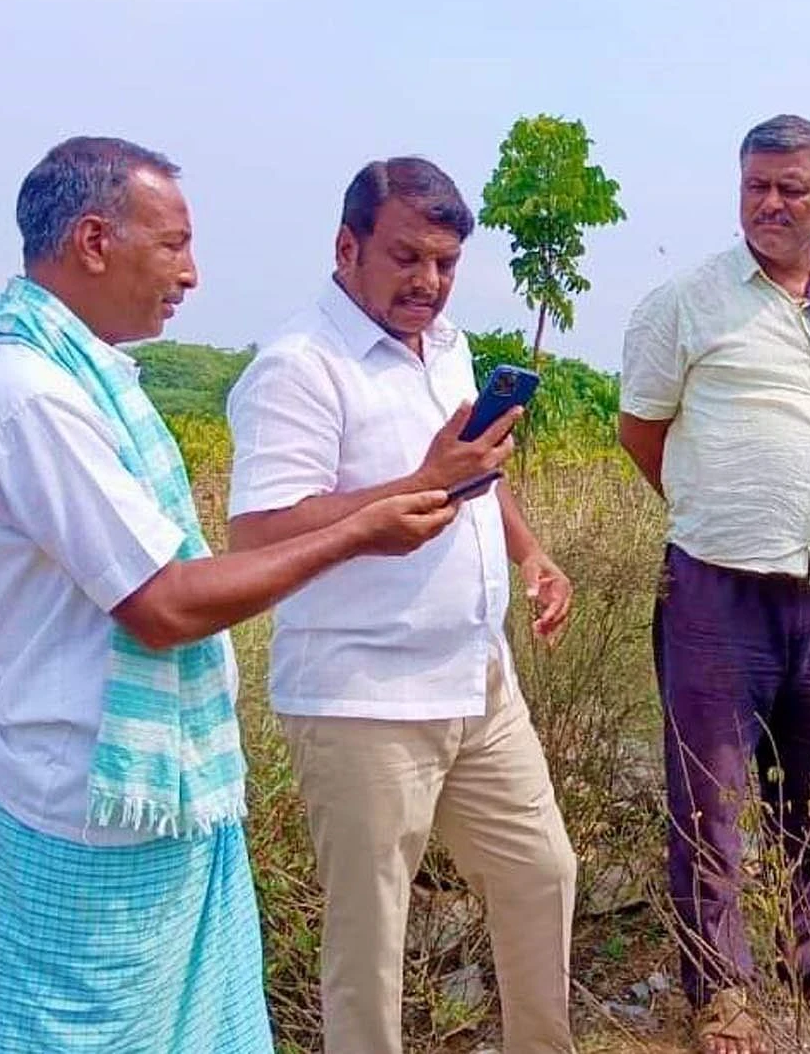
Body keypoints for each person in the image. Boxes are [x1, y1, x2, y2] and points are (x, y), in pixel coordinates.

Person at [0, 137, 459, 1053]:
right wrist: (357, 533)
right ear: (96, 241)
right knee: (90, 1034)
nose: (191, 273)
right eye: (173, 244)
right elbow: (164, 603)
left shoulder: (92, 381)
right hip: (87, 804)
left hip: (162, 792)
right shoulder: (32, 398)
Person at [224, 157, 578, 1054]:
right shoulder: (297, 368)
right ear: (348, 247)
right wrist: (417, 482)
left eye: (447, 263)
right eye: (407, 258)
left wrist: (531, 555)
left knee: (541, 874)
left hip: (477, 683)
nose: (428, 282)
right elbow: (260, 535)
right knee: (370, 942)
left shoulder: (447, 345)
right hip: (362, 701)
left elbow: (474, 476)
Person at [619, 114, 810, 1054]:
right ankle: (720, 989)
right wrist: (718, 514)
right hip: (718, 592)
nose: (770, 204)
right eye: (755, 186)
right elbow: (642, 431)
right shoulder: (687, 301)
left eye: (790, 189)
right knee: (711, 798)